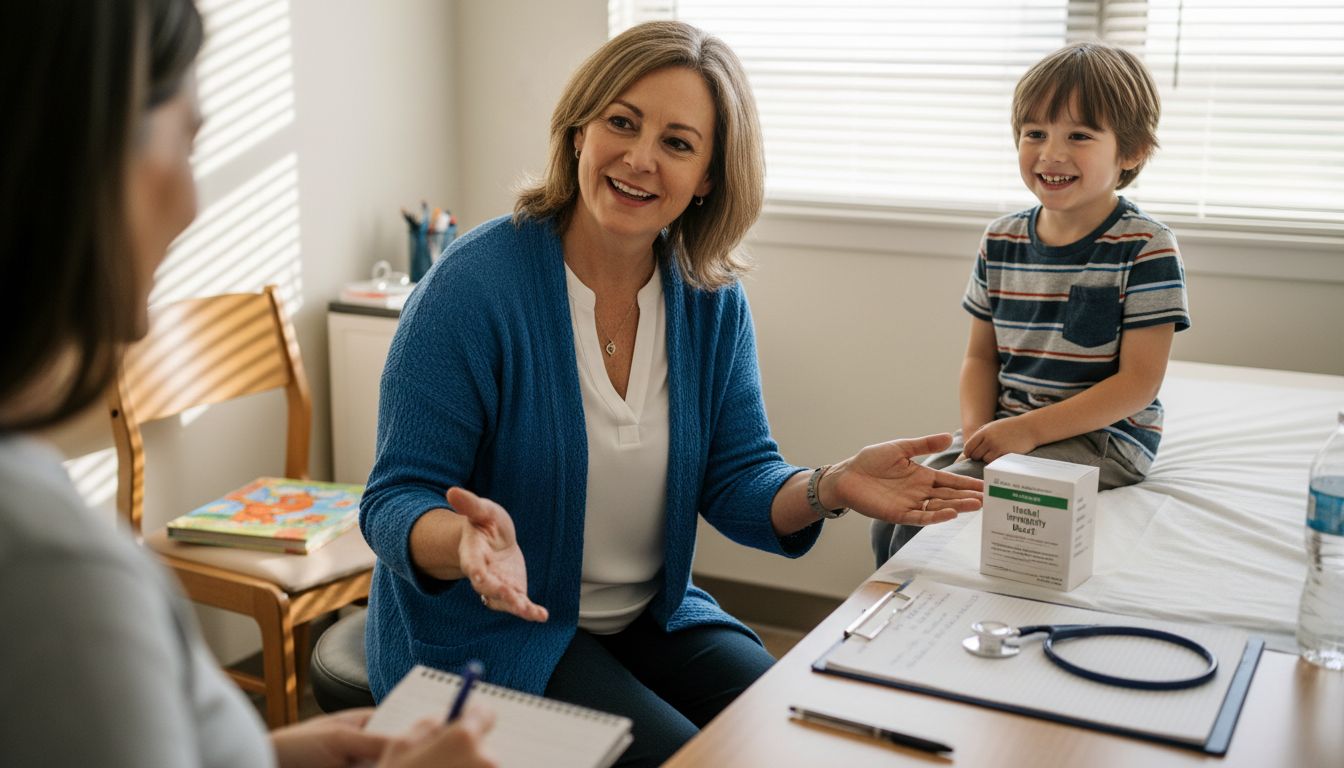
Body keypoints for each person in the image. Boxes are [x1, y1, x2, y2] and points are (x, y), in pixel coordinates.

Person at [359, 20, 983, 767]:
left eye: (678, 143)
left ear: (708, 177)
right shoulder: (472, 288)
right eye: (621, 123)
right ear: (579, 131)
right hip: (488, 633)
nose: (639, 158)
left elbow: (738, 480)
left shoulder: (708, 302)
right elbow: (393, 498)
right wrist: (463, 543)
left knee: (796, 734)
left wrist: (832, 485)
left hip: (648, 617)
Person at [0, 1, 496, 766]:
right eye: (181, 141)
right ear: (70, 154)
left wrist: (271, 755)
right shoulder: (53, 574)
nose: (193, 204)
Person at [872, 41, 1191, 567]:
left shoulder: (1146, 246)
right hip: (1011, 423)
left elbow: (1139, 384)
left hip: (1104, 438)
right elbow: (980, 357)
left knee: (929, 528)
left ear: (1131, 152)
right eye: (1035, 133)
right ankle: (881, 628)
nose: (1052, 153)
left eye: (1079, 136)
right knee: (892, 513)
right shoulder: (1001, 240)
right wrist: (977, 431)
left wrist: (1028, 431)